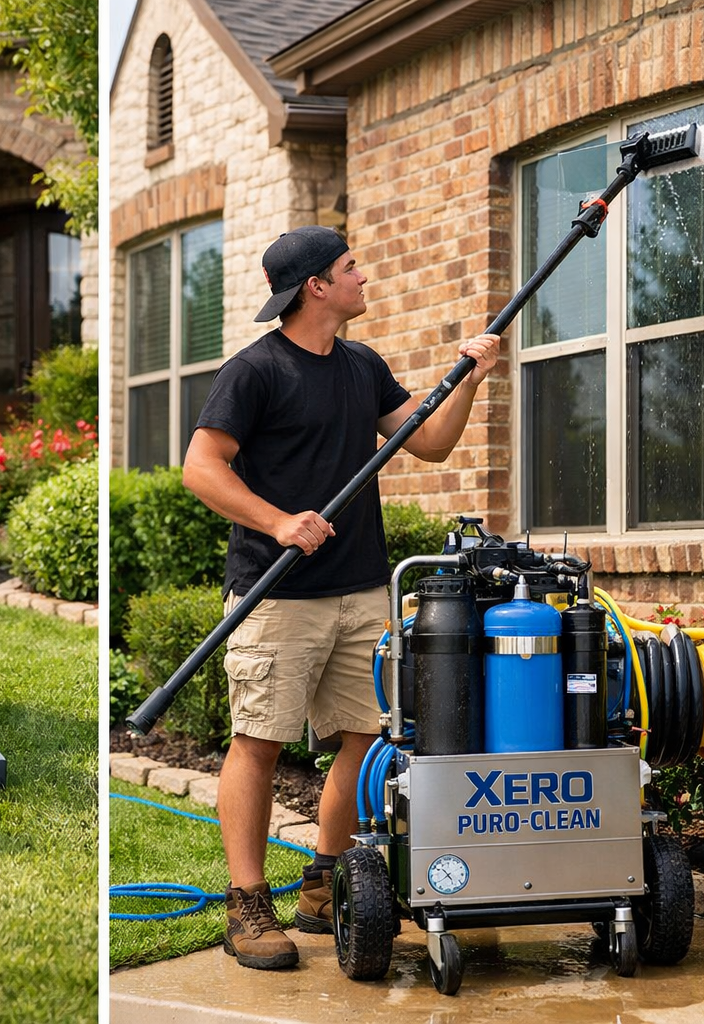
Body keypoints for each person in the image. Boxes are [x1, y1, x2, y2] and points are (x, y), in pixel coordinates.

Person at [181, 225, 499, 969]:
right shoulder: (255, 371)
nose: (364, 276)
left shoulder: (361, 366)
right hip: (278, 593)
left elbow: (429, 443)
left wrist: (469, 381)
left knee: (365, 738)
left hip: (360, 589)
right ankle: (246, 905)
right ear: (315, 287)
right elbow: (201, 467)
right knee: (259, 743)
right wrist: (278, 521)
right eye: (351, 267)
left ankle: (323, 880)